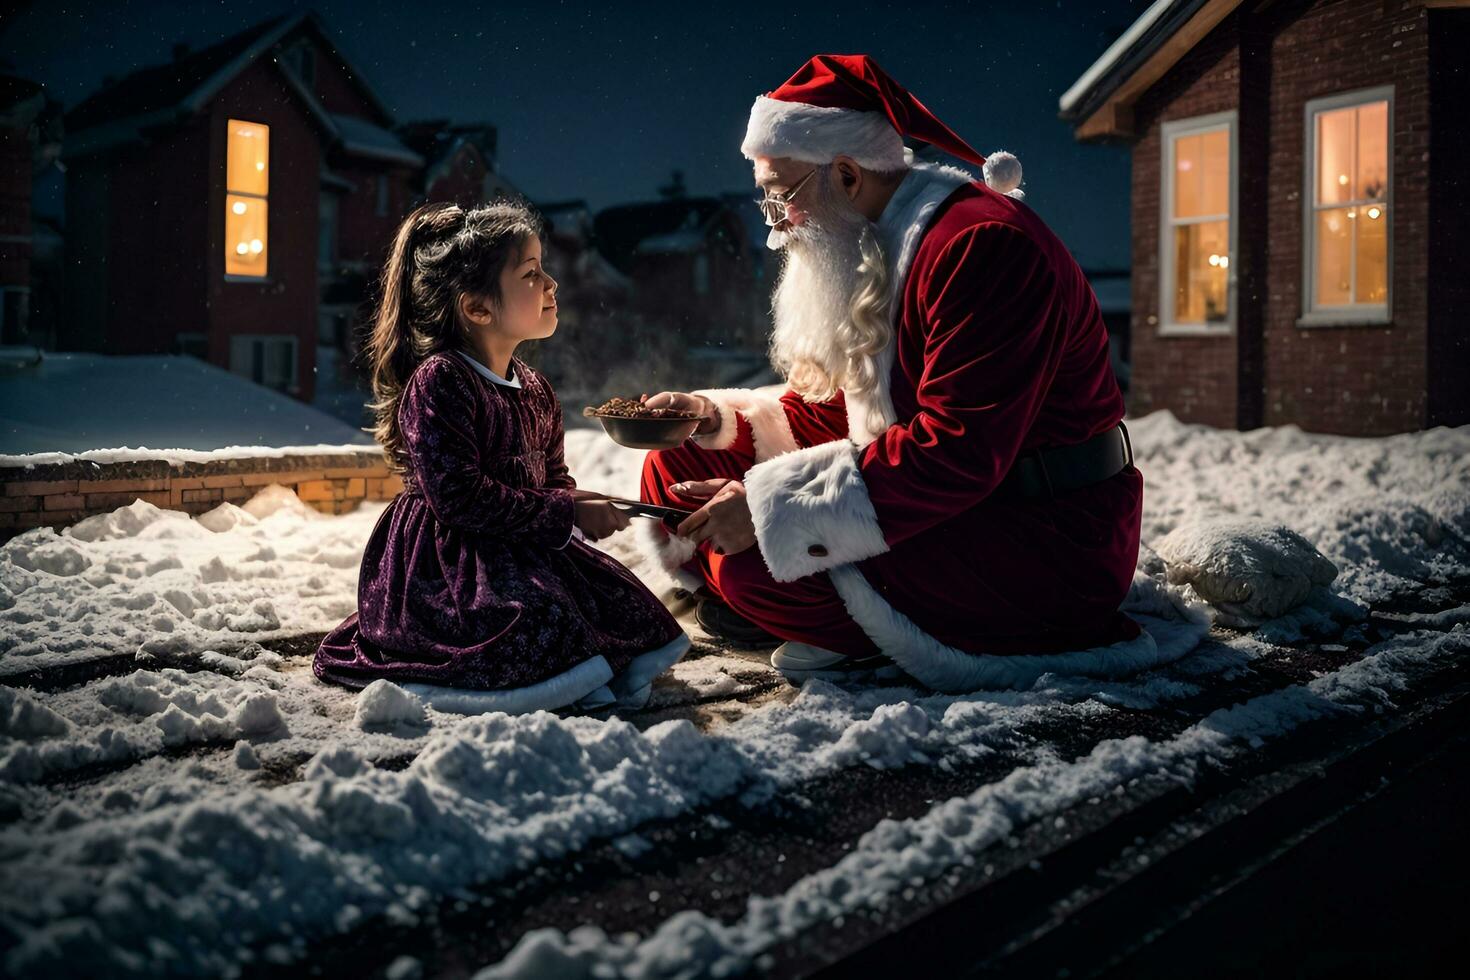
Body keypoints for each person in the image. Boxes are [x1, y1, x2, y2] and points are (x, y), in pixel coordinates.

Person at [638, 55, 1157, 693]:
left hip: (1039, 536)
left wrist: (772, 510)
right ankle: (791, 607)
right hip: (943, 500)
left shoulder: (979, 247)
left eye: (782, 196)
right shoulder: (872, 236)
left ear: (848, 174)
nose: (774, 225)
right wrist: (713, 420)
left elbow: (957, 451)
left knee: (754, 566)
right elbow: (856, 413)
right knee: (677, 462)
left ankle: (833, 623)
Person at [314, 201, 688, 713]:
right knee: (536, 619)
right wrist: (565, 512)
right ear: (477, 308)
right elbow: (460, 498)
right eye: (531, 274)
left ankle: (579, 674)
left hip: (522, 546)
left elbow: (552, 477)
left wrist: (576, 500)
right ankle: (551, 682)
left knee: (620, 599)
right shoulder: (442, 380)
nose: (551, 283)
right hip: (448, 562)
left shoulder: (535, 389)